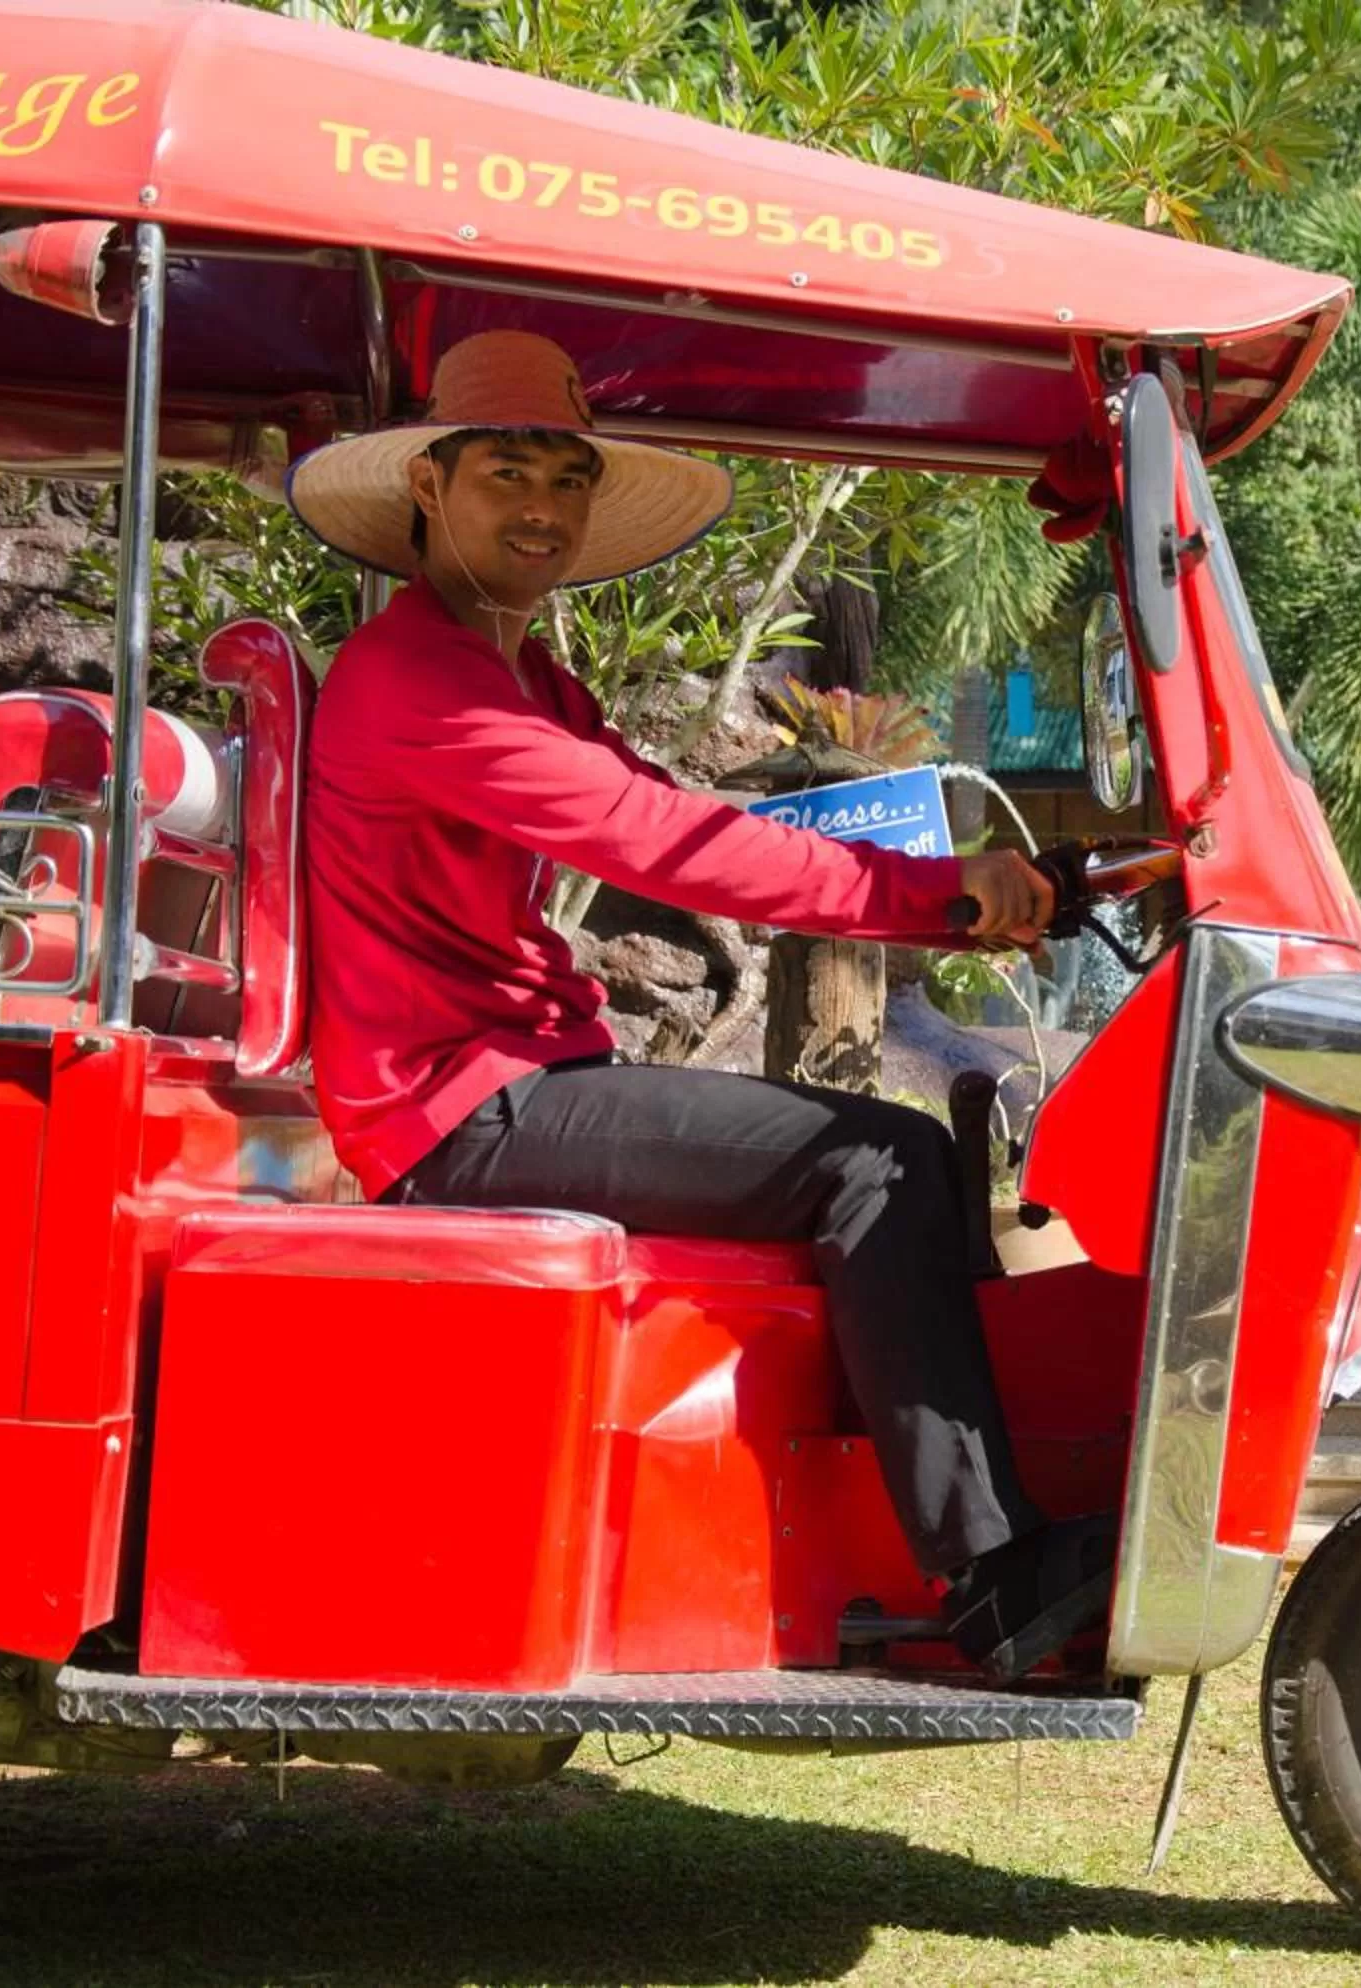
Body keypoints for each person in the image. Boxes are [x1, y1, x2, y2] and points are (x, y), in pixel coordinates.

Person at [288, 329, 1110, 1681]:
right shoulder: (417, 682)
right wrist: (939, 898)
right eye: (507, 474)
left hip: (520, 1075)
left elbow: (675, 813)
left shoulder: (523, 677)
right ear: (429, 485)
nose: (544, 508)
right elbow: (664, 846)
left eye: (567, 478)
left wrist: (961, 888)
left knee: (896, 1157)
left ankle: (915, 1531)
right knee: (880, 1160)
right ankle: (991, 1576)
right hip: (457, 1111)